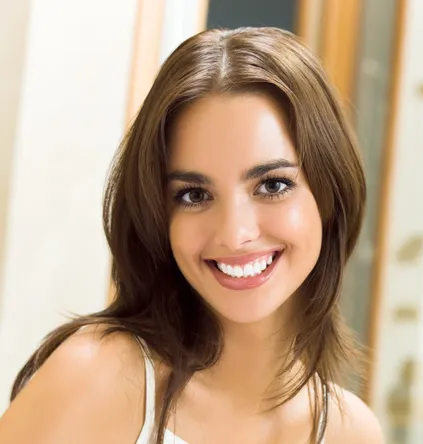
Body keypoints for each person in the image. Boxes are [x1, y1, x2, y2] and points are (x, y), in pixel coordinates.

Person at [0, 27, 383, 443]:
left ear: (330, 193)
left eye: (272, 185)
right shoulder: (98, 377)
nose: (235, 234)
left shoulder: (351, 431)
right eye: (195, 195)